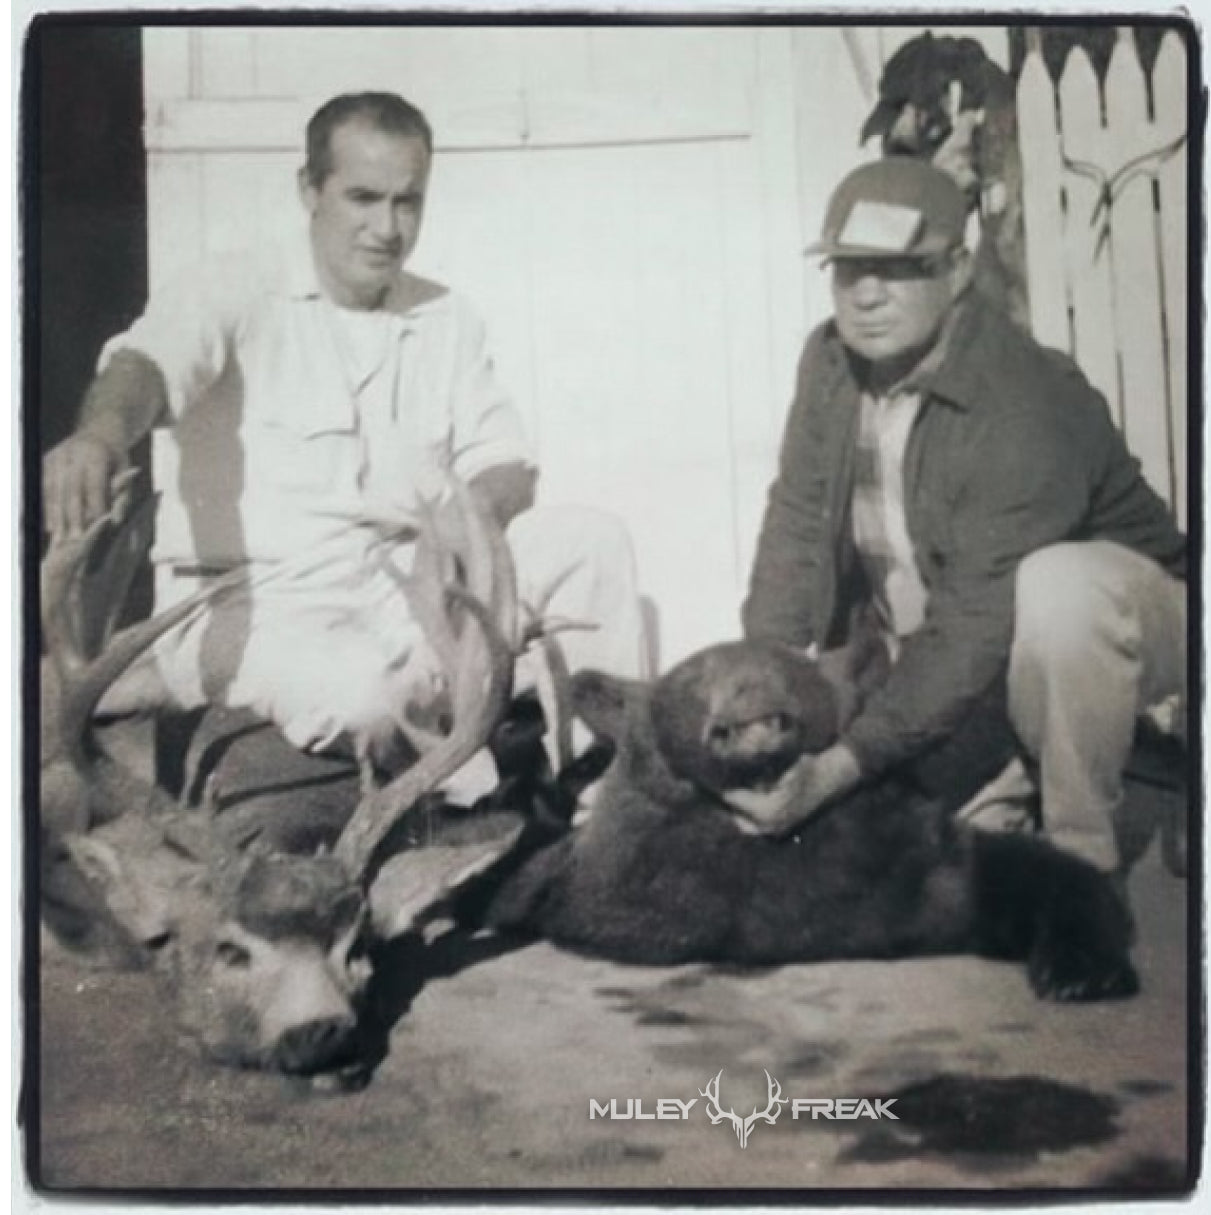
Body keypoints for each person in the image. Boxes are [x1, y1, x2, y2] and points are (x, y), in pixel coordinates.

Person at [43, 91, 648, 784]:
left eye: (407, 202)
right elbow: (144, 367)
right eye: (363, 197)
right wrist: (98, 435)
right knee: (363, 695)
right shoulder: (233, 287)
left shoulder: (445, 317)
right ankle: (449, 785)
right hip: (254, 606)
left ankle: (601, 793)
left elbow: (505, 460)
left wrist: (470, 513)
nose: (386, 228)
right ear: (309, 189)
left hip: (401, 590)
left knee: (592, 545)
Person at [737, 157, 1186, 875]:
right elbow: (793, 518)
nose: (867, 296)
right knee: (891, 848)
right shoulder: (829, 363)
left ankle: (1079, 867)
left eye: (900, 269)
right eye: (849, 269)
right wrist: (763, 682)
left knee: (1059, 586)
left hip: (1133, 636)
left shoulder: (1023, 398)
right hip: (955, 651)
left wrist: (836, 769)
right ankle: (1003, 777)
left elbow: (975, 624)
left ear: (957, 269)